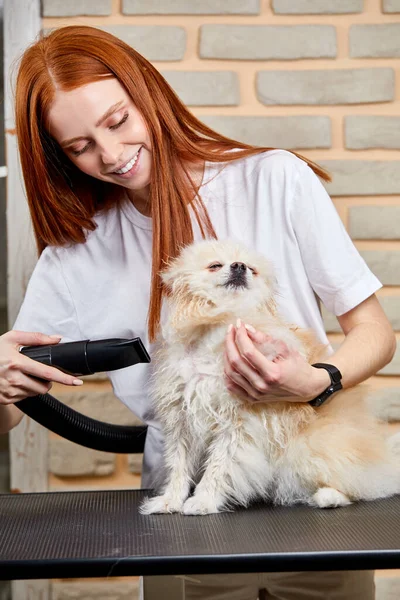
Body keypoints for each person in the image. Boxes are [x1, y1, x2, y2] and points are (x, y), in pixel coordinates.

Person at [0, 25, 395, 600]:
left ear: (147, 95)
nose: (110, 155)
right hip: (187, 521)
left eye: (117, 122)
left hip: (309, 495)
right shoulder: (76, 255)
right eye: (79, 147)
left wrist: (315, 381)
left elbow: (375, 333)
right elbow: (12, 413)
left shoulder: (274, 179)